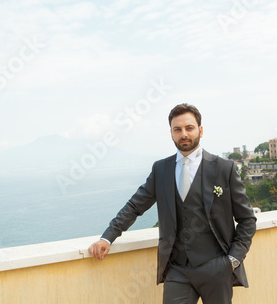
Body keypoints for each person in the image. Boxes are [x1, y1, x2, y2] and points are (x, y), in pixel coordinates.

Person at [89, 103, 256, 304]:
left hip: (217, 268)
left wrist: (232, 261)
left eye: (189, 128)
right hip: (177, 270)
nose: (183, 134)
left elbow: (247, 220)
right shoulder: (161, 169)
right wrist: (107, 238)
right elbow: (135, 206)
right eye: (177, 129)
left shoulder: (224, 169)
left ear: (200, 131)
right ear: (171, 134)